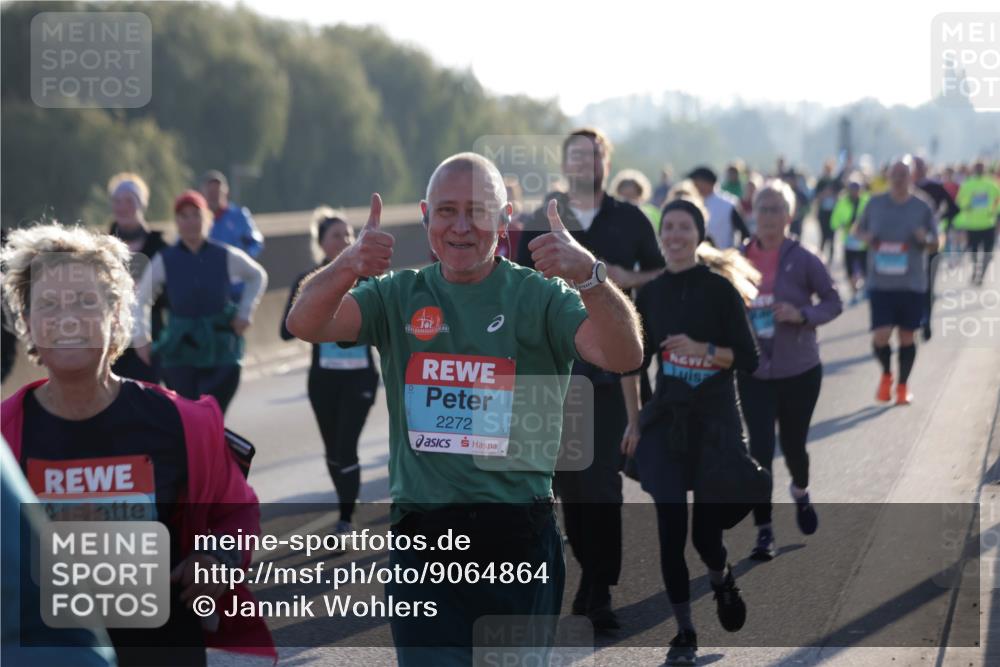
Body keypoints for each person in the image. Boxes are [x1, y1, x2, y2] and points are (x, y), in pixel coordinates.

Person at [286, 152, 643, 665]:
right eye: (447, 211)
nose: (461, 226)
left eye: (477, 211)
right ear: (427, 216)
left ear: (505, 220)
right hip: (424, 543)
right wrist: (347, 264)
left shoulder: (540, 297)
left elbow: (624, 355)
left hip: (515, 541)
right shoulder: (397, 295)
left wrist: (589, 274)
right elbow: (305, 323)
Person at [0, 223, 275, 666]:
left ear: (116, 315)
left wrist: (218, 558)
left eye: (86, 302)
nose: (67, 317)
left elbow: (234, 511)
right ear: (27, 323)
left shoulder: (185, 422)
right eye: (48, 304)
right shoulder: (4, 436)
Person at [518, 129, 665, 630]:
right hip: (556, 374)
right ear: (566, 163)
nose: (585, 160)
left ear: (606, 160)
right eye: (575, 154)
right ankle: (586, 572)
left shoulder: (628, 218)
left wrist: (619, 279)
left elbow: (661, 273)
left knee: (600, 485)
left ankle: (599, 588)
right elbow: (517, 282)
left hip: (609, 372)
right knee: (567, 487)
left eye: (593, 152)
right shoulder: (546, 216)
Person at [620, 199, 760, 666]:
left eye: (684, 227)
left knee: (705, 537)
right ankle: (685, 631)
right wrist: (635, 421)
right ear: (661, 237)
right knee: (670, 529)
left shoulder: (719, 291)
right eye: (668, 227)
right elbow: (632, 364)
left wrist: (703, 348)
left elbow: (749, 359)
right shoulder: (651, 294)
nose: (675, 234)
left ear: (698, 234)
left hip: (715, 423)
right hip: (669, 424)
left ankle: (721, 580)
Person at [737, 181, 842, 560]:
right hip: (754, 372)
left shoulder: (805, 258)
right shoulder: (736, 258)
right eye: (762, 208)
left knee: (794, 447)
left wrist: (802, 315)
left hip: (800, 369)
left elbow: (833, 302)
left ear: (789, 216)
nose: (767, 216)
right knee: (761, 449)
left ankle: (800, 491)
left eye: (775, 209)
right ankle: (764, 531)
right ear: (752, 213)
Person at [280, 207, 378, 534]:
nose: (346, 240)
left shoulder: (367, 280)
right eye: (337, 235)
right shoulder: (310, 281)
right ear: (322, 244)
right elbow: (285, 330)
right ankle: (345, 499)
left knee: (346, 446)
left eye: (349, 234)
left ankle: (346, 518)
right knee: (332, 450)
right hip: (323, 379)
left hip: (360, 377)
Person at [133, 190, 267, 414]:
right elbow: (140, 298)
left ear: (206, 219)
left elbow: (257, 276)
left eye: (195, 215)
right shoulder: (165, 259)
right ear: (176, 221)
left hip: (221, 346)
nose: (190, 222)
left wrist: (245, 313)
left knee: (213, 413)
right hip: (180, 348)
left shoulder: (225, 254)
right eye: (183, 216)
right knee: (189, 413)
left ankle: (214, 446)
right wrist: (140, 338)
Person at [854, 158, 937, 405]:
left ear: (911, 177)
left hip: (912, 282)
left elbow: (936, 242)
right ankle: (887, 374)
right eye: (895, 174)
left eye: (904, 174)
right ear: (888, 177)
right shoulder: (875, 203)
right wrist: (867, 236)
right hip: (880, 282)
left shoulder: (922, 206)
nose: (899, 179)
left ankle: (902, 386)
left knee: (907, 337)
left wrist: (925, 238)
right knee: (881, 335)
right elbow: (857, 230)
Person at [106, 172, 168, 384]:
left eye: (129, 201)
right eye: (117, 201)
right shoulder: (101, 248)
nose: (123, 207)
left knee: (149, 404)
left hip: (150, 338)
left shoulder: (160, 248)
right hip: (112, 342)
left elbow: (172, 297)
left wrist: (145, 291)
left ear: (141, 204)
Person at [913, 156, 960, 340]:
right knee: (912, 284)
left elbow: (954, 208)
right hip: (911, 246)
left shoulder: (935, 187)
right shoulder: (907, 190)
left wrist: (940, 217)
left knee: (928, 284)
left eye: (920, 167)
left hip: (933, 241)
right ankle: (915, 319)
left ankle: (926, 321)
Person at [201, 170, 265, 301]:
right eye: (211, 193)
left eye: (217, 192)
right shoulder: (197, 220)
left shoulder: (238, 216)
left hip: (235, 289)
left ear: (226, 192)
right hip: (207, 288)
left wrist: (242, 262)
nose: (214, 196)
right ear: (203, 194)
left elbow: (255, 242)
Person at [954, 160, 1000, 287]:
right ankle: (977, 272)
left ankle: (980, 275)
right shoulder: (969, 184)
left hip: (987, 223)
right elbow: (959, 201)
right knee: (977, 252)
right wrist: (966, 207)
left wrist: (994, 211)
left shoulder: (991, 184)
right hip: (974, 224)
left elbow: (998, 199)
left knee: (986, 252)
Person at [688, 166, 750, 250]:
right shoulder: (692, 202)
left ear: (705, 182)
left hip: (723, 258)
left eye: (695, 181)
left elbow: (744, 233)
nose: (692, 185)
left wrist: (737, 252)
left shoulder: (728, 204)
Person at [831, 178, 871, 305]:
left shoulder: (867, 201)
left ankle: (863, 289)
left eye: (857, 189)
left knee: (864, 269)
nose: (855, 192)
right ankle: (854, 292)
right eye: (852, 189)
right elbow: (833, 222)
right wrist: (843, 224)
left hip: (863, 243)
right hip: (849, 242)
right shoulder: (842, 203)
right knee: (850, 270)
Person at [814, 160, 844, 265]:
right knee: (823, 237)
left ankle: (830, 261)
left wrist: (834, 195)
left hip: (833, 214)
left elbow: (841, 196)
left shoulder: (836, 181)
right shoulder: (821, 181)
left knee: (832, 238)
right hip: (823, 213)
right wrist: (824, 194)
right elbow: (816, 197)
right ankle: (820, 259)